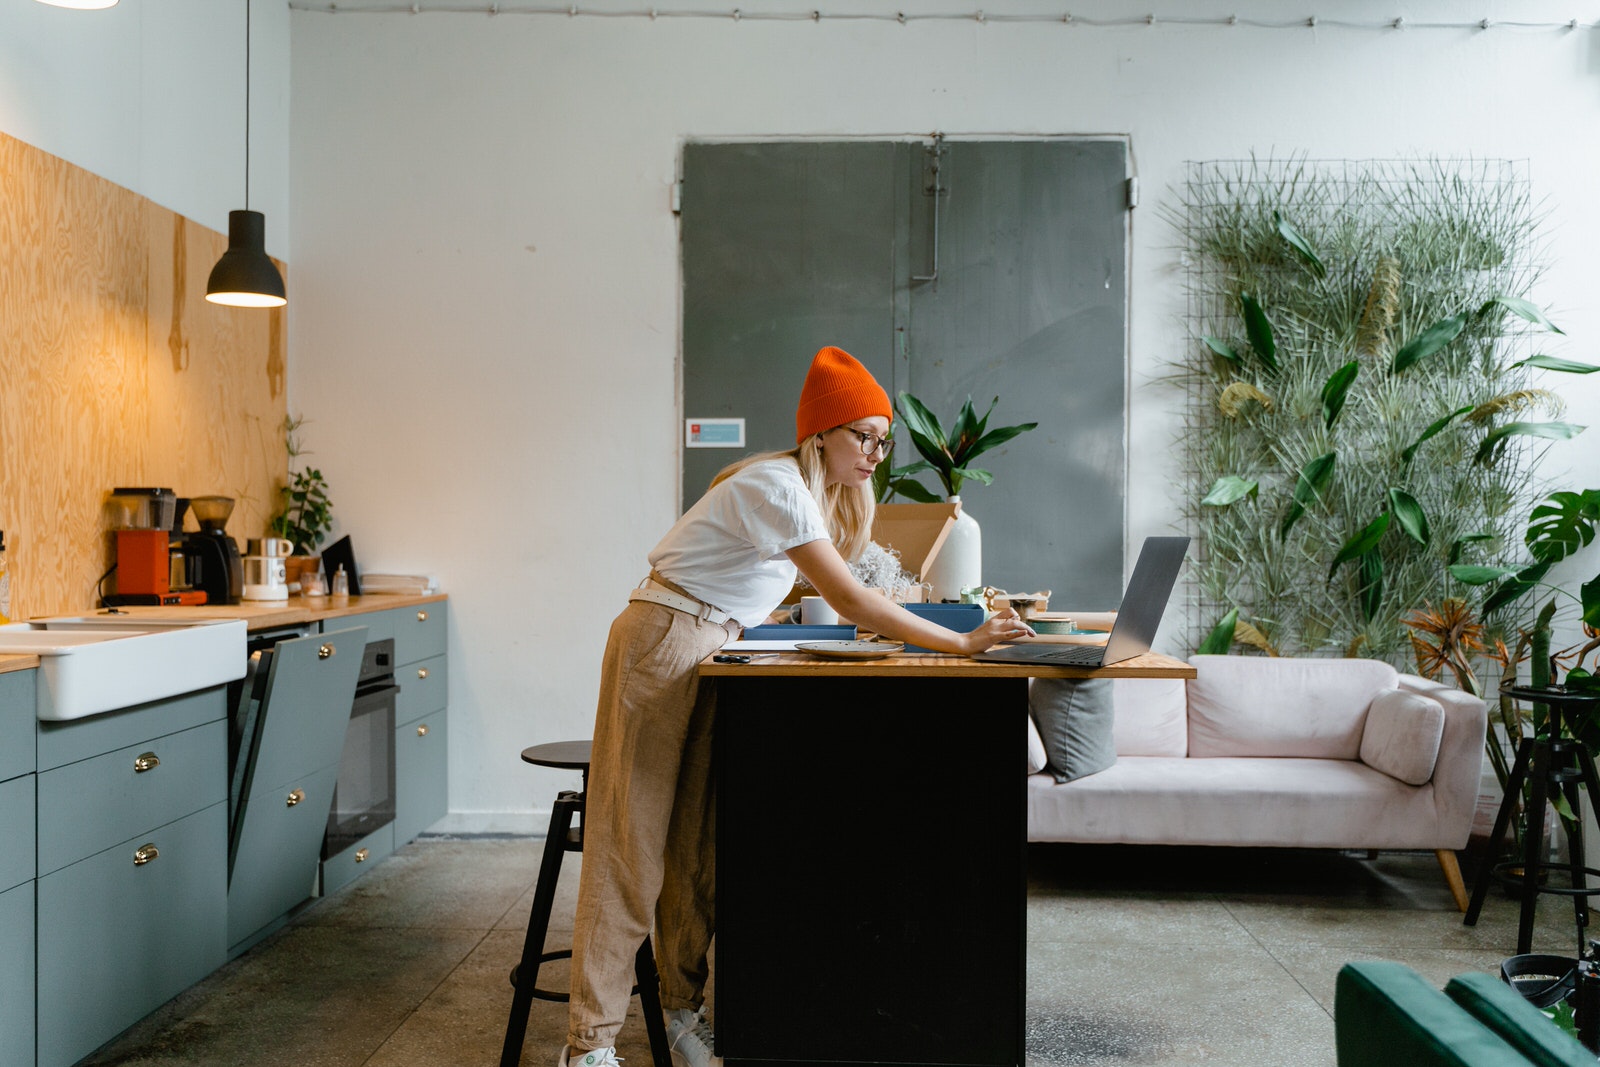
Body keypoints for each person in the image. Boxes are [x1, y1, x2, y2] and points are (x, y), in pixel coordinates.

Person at [562, 345, 1035, 1067]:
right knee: (631, 843)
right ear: (822, 433)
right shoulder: (778, 483)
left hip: (709, 639)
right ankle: (587, 1044)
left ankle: (679, 1011)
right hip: (663, 636)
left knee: (692, 843)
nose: (876, 451)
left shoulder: (809, 496)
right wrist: (962, 643)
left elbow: (791, 584)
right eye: (863, 435)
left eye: (884, 439)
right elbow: (848, 596)